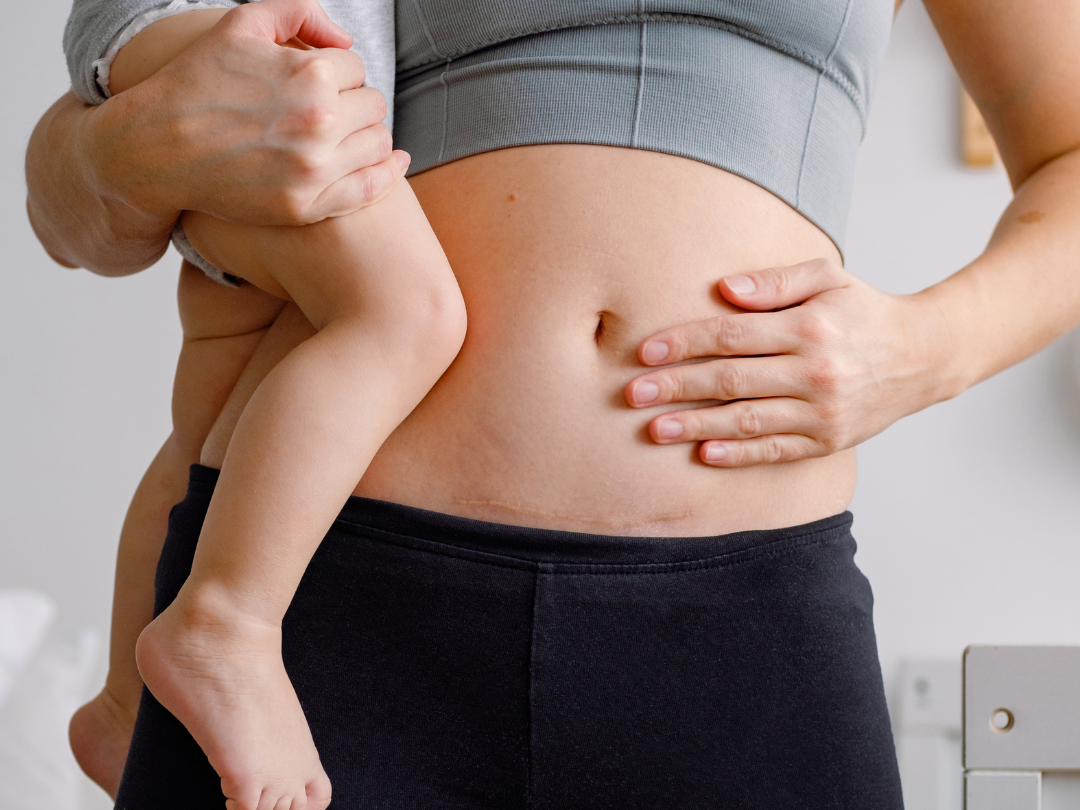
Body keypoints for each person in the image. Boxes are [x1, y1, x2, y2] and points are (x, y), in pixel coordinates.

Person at [28, 0, 1080, 806]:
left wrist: (929, 350)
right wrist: (105, 151)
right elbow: (75, 180)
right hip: (328, 602)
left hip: (742, 625)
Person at [58, 1, 464, 808]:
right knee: (408, 311)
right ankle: (226, 625)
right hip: (233, 33)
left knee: (214, 426)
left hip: (280, 43)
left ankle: (122, 707)